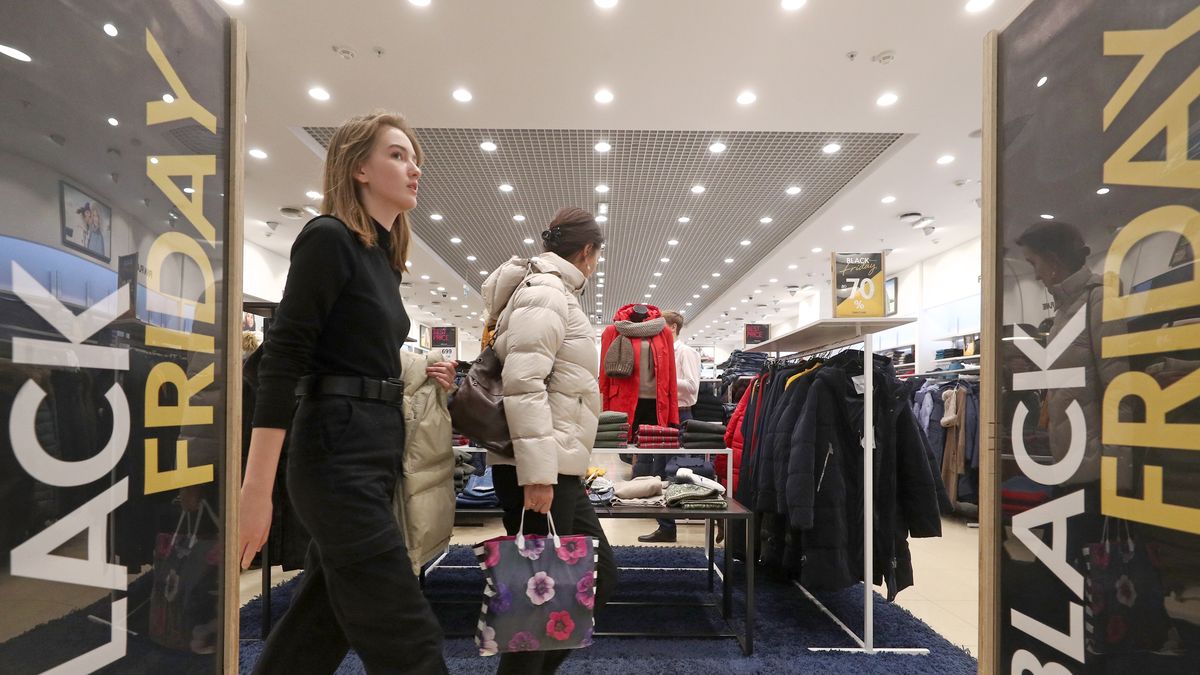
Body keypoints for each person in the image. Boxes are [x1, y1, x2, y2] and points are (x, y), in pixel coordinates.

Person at [239, 111, 455, 675]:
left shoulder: (379, 259)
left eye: (415, 160)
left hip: (371, 447)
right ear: (358, 167)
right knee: (410, 640)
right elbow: (281, 362)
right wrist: (255, 491)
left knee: (319, 626)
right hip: (335, 455)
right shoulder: (328, 238)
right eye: (397, 155)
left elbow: (354, 352)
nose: (413, 170)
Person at [482, 206, 617, 675]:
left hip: (558, 467)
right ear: (586, 252)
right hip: (539, 471)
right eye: (597, 255)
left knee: (593, 577)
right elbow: (525, 383)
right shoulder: (546, 293)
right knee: (540, 595)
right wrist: (537, 477)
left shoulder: (549, 291)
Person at [639, 310, 700, 543]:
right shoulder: (663, 353)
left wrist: (663, 381)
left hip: (681, 414)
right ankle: (665, 526)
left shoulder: (686, 352)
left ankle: (668, 525)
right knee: (658, 471)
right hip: (663, 414)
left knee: (672, 472)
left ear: (672, 327)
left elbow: (693, 388)